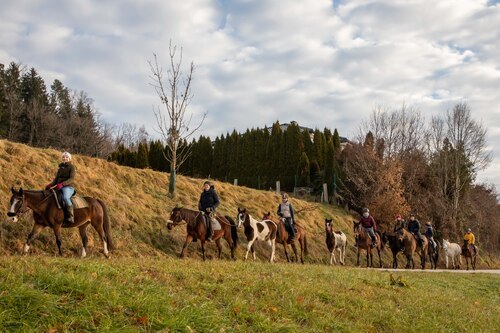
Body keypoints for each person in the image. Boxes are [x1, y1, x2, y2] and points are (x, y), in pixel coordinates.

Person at [45, 151, 76, 226]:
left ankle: (71, 216)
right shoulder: (60, 168)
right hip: (59, 186)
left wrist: (63, 184)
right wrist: (50, 185)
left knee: (65, 198)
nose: (65, 158)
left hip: (68, 187)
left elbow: (72, 179)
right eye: (63, 157)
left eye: (66, 157)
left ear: (69, 158)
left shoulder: (72, 167)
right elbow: (56, 180)